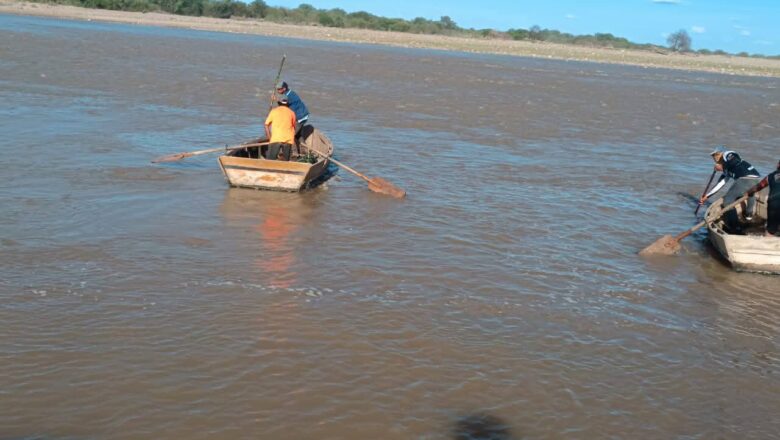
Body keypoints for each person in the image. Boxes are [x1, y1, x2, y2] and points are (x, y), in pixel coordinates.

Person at [745, 159, 780, 236]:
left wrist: (748, 192)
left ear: (778, 165)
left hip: (773, 204)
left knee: (771, 230)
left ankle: (767, 242)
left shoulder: (771, 176)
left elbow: (758, 187)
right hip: (775, 203)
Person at [264, 95, 296, 161]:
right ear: (287, 103)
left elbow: (266, 125)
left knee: (270, 161)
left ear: (279, 102)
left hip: (276, 139)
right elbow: (294, 127)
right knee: (285, 162)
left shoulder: (273, 111)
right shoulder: (292, 113)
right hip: (288, 140)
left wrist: (270, 138)